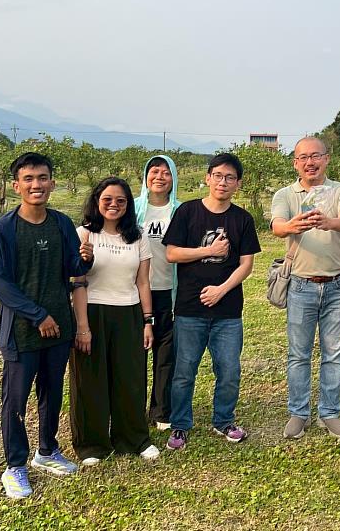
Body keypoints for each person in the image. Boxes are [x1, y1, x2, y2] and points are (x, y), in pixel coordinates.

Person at [0, 152, 91, 500]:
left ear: (53, 182)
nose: (37, 185)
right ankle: (15, 466)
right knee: (15, 399)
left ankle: (47, 451)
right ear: (16, 185)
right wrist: (37, 315)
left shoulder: (61, 223)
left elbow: (71, 268)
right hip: (21, 331)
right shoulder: (4, 229)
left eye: (43, 177)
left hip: (59, 327)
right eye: (29, 179)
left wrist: (84, 260)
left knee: (51, 392)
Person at [162, 153, 261, 450]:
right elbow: (172, 254)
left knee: (229, 369)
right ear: (207, 178)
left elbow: (246, 264)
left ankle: (224, 420)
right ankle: (180, 425)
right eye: (218, 175)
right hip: (190, 308)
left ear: (238, 184)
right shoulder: (188, 212)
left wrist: (221, 289)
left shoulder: (242, 219)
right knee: (184, 371)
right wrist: (208, 251)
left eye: (230, 177)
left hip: (228, 311)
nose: (223, 182)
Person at [270, 137, 340, 439]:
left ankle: (329, 412)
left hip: (337, 284)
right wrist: (294, 225)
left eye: (316, 156)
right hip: (300, 285)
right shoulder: (285, 194)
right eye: (303, 157)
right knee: (299, 353)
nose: (310, 162)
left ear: (327, 158)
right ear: (295, 163)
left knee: (334, 352)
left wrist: (329, 221)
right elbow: (277, 226)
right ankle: (299, 412)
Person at [69, 177, 159, 466]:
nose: (114, 205)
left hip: (129, 311)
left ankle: (133, 439)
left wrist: (148, 320)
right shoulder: (83, 234)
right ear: (97, 201)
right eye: (108, 199)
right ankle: (92, 444)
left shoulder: (138, 236)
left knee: (130, 378)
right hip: (92, 312)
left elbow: (143, 281)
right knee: (90, 380)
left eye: (121, 200)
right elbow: (77, 281)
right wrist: (82, 326)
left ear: (128, 205)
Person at [134, 155, 182, 431]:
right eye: (154, 171)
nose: (160, 177)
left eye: (166, 172)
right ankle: (133, 407)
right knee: (136, 353)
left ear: (173, 178)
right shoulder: (133, 209)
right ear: (146, 176)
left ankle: (161, 410)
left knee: (166, 354)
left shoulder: (180, 210)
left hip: (169, 293)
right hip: (137, 293)